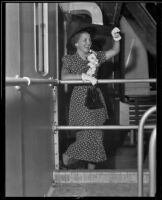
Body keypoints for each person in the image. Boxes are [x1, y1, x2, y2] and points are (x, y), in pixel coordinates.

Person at [61, 21, 121, 170]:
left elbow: (114, 51)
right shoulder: (69, 59)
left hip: (96, 98)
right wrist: (83, 76)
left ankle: (90, 173)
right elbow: (64, 77)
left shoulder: (95, 56)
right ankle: (67, 158)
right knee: (88, 135)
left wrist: (116, 39)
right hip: (80, 99)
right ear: (76, 43)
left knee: (97, 136)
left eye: (89, 40)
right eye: (85, 40)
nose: (89, 43)